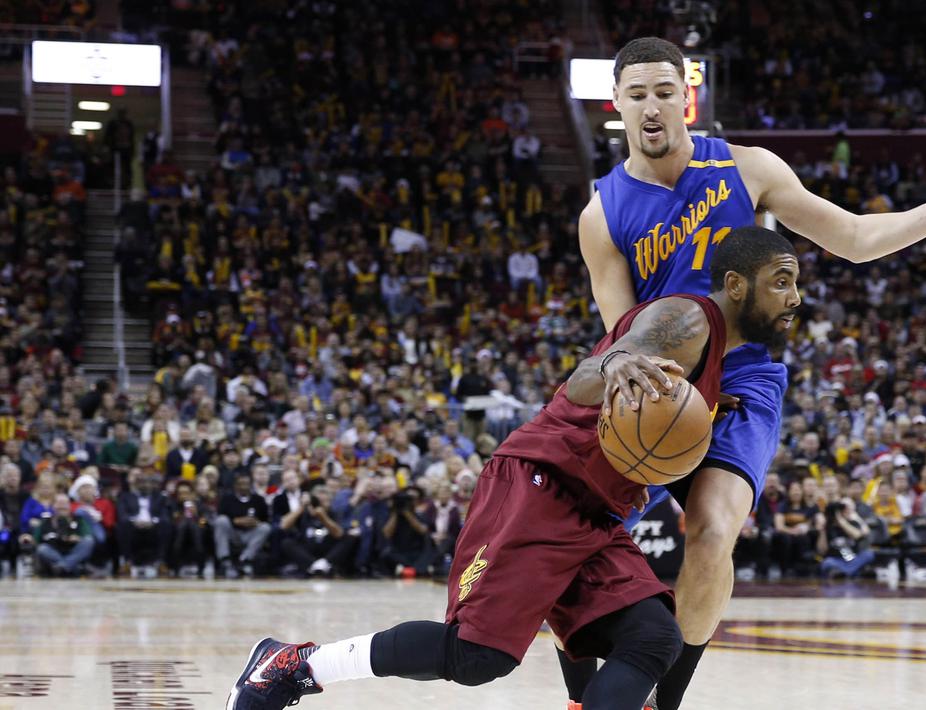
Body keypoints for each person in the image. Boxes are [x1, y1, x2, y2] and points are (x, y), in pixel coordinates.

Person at [571, 36, 926, 710]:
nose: (653, 106)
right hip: (656, 385)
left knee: (713, 532)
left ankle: (666, 701)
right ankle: (582, 693)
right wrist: (625, 366)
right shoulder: (601, 212)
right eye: (638, 95)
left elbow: (855, 240)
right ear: (618, 105)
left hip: (742, 376)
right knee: (577, 537)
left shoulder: (746, 169)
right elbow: (619, 333)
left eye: (664, 92)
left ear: (685, 97)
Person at [224, 226, 800, 710]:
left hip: (594, 513)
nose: (795, 296)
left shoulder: (716, 356)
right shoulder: (688, 320)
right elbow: (584, 377)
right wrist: (618, 360)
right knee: (475, 657)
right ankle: (293, 665)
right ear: (734, 284)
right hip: (539, 487)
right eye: (782, 281)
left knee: (653, 637)